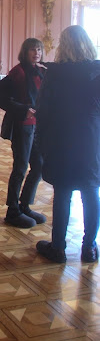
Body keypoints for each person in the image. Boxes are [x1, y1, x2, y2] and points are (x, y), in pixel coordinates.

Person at [35, 25, 100, 263]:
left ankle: (58, 248)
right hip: (90, 139)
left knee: (63, 193)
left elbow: (43, 110)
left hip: (61, 138)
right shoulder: (97, 71)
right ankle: (89, 247)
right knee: (91, 191)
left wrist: (40, 143)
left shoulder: (55, 73)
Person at [0, 38, 46, 228]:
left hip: (37, 126)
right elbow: (0, 97)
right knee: (20, 168)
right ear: (25, 52)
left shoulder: (41, 71)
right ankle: (12, 211)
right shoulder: (17, 72)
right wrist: (22, 108)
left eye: (39, 49)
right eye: (33, 49)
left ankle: (25, 205)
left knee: (39, 166)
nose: (37, 53)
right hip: (21, 125)